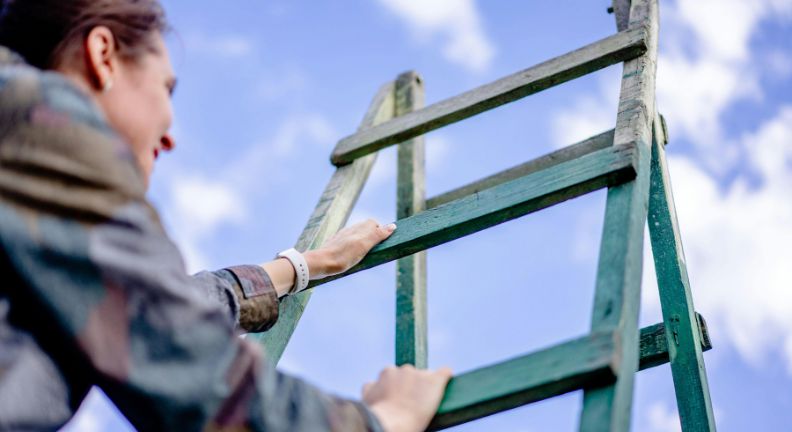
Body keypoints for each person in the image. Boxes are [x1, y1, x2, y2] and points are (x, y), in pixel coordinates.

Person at [0, 0, 451, 430]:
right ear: (103, 56)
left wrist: (306, 265)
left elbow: (147, 302)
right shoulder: (33, 110)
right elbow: (176, 348)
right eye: (165, 87)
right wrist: (383, 420)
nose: (170, 136)